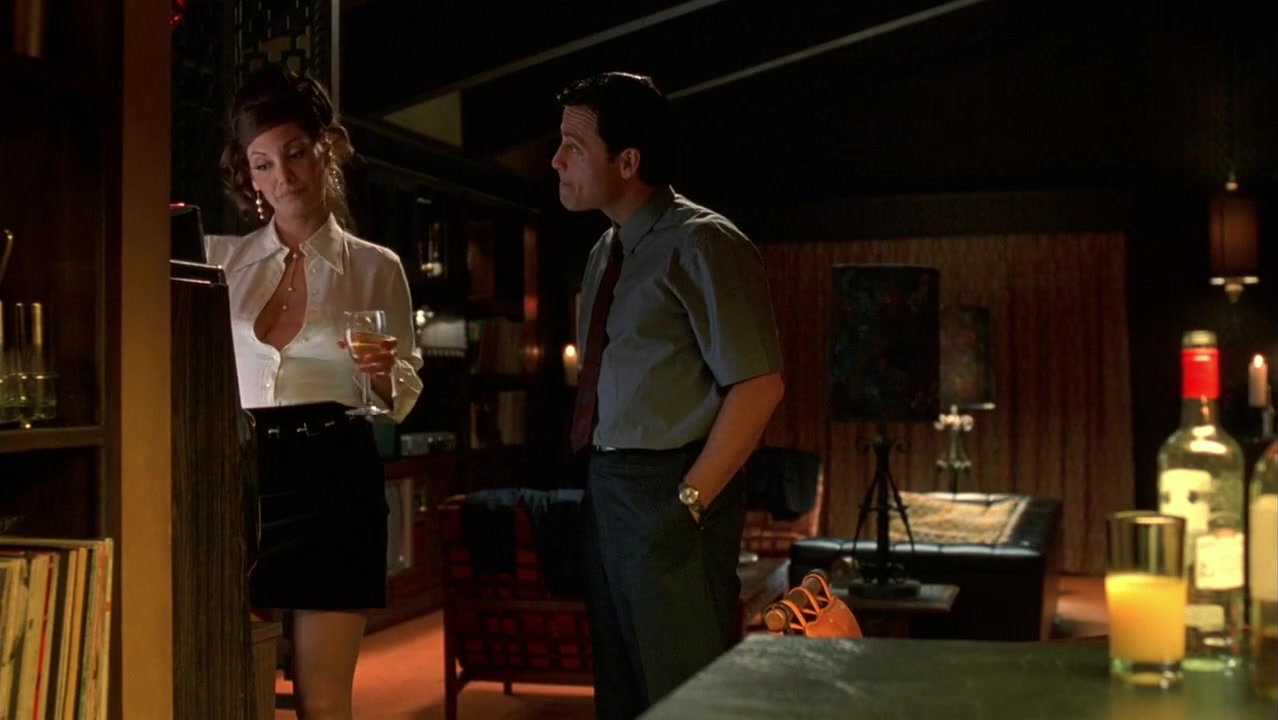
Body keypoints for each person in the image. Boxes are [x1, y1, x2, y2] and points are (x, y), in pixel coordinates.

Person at [551, 71, 785, 719]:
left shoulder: (703, 242)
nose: (556, 160)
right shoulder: (605, 252)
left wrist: (688, 502)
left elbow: (759, 385)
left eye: (574, 146)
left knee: (686, 696)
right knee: (623, 694)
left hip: (672, 486)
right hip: (607, 486)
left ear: (627, 162)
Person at [205, 64, 423, 720]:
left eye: (295, 153)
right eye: (263, 164)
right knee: (221, 682)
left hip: (334, 480)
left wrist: (381, 373)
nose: (284, 177)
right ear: (249, 176)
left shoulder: (375, 267)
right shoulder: (221, 261)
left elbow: (399, 395)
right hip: (235, 478)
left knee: (322, 703)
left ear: (327, 148)